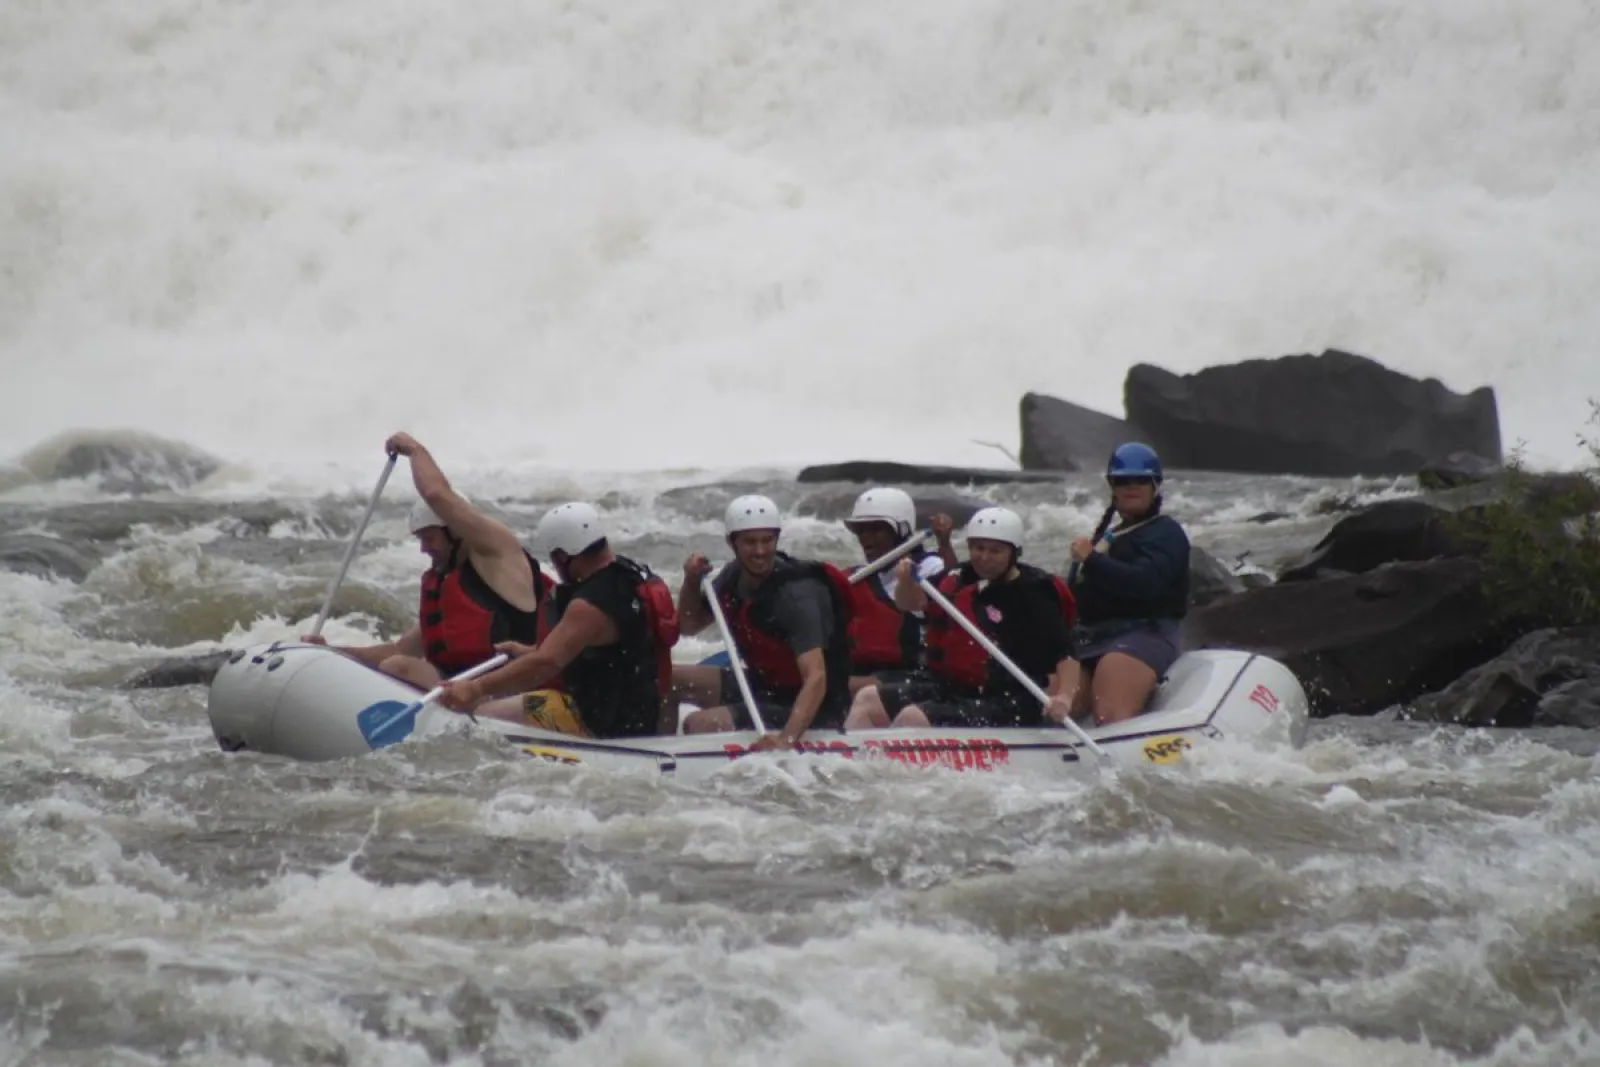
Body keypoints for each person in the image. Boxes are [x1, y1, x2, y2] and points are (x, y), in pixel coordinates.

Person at [302, 432, 551, 688]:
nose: (423, 549)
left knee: (397, 668)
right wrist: (333, 652)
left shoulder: (498, 555)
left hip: (513, 690)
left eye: (429, 538)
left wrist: (414, 449)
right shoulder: (444, 589)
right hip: (462, 692)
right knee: (398, 664)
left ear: (454, 531)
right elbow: (397, 651)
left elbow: (435, 494)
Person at [435, 502, 681, 739]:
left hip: (601, 724)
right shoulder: (630, 573)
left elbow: (545, 664)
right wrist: (529, 652)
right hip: (639, 713)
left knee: (481, 716)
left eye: (554, 558)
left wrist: (475, 688)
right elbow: (606, 648)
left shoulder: (589, 605)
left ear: (564, 556)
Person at [845, 507, 1077, 730]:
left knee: (912, 718)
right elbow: (909, 603)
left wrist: (1065, 697)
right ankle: (850, 760)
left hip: (1011, 698)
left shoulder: (1034, 593)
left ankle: (888, 765)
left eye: (995, 551)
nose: (984, 557)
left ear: (1014, 553)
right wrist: (906, 581)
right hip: (955, 687)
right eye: (978, 548)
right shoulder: (958, 578)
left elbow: (1066, 654)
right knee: (868, 699)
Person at [670, 494, 854, 751]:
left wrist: (785, 741)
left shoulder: (797, 594)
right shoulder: (733, 576)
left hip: (812, 708)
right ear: (731, 543)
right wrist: (691, 581)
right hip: (764, 687)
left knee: (699, 724)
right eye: (750, 542)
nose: (760, 551)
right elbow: (689, 625)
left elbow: (816, 678)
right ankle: (650, 750)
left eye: (767, 540)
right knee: (668, 678)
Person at [1065, 442, 1190, 725]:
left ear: (1154, 485)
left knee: (1109, 713)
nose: (1131, 487)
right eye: (1123, 481)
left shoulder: (1166, 533)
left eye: (1140, 480)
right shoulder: (1109, 537)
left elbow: (1146, 583)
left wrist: (1093, 561)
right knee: (1052, 704)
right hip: (1092, 638)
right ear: (1113, 486)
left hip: (1147, 633)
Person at [840, 487, 956, 692]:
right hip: (869, 669)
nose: (866, 538)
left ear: (901, 531)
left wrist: (945, 545)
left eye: (876, 529)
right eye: (861, 530)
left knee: (848, 687)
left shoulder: (929, 567)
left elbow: (953, 591)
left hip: (915, 673)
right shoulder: (858, 576)